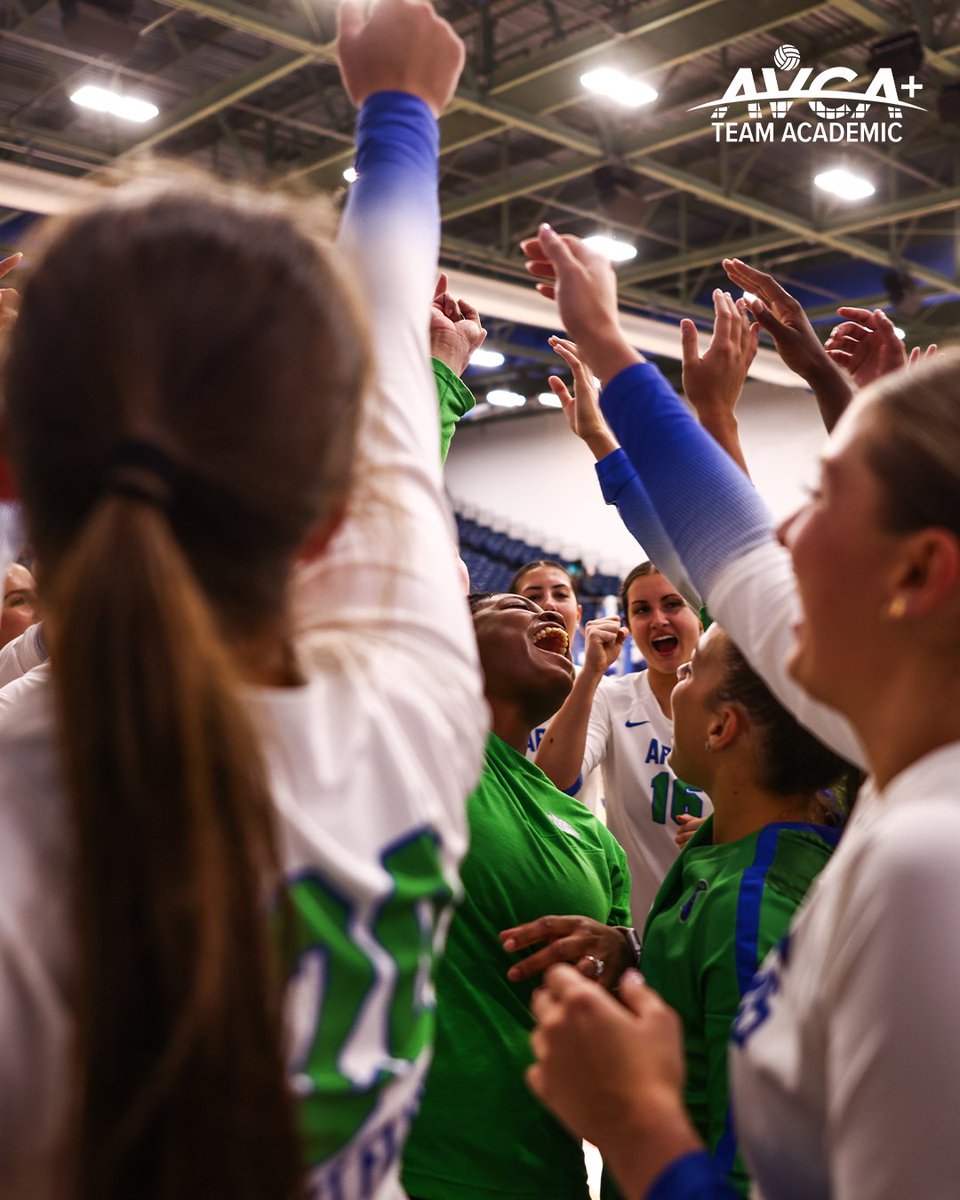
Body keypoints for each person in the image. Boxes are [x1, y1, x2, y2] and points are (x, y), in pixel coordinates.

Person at [0, 5, 486, 1200]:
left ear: (13, 478)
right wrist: (398, 115)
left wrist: (402, 114)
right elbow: (388, 357)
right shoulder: (411, 703)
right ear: (329, 516)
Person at [522, 222, 960, 1198]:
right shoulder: (901, 748)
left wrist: (637, 1128)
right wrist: (607, 346)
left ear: (919, 576)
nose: (784, 531)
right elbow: (730, 545)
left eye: (824, 498)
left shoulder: (930, 866)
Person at [402, 591, 633, 1200]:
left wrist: (625, 950)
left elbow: (623, 1009)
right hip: (411, 1164)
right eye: (515, 605)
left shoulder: (592, 833)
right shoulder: (415, 748)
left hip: (548, 1168)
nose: (551, 616)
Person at [632, 623, 847, 1194]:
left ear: (722, 726)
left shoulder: (752, 909)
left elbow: (749, 1176)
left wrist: (620, 1110)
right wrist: (634, 954)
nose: (676, 682)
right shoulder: (737, 849)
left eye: (690, 670)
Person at [535, 559, 710, 924]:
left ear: (699, 615)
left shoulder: (742, 698)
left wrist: (732, 830)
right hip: (644, 932)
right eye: (642, 610)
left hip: (728, 918)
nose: (658, 619)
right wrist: (592, 674)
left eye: (672, 604)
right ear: (628, 623)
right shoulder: (611, 696)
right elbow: (553, 780)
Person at [509, 558, 617, 816]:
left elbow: (561, 787)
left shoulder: (601, 689)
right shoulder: (491, 688)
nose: (549, 603)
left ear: (578, 615)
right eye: (533, 596)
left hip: (569, 838)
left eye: (560, 594)